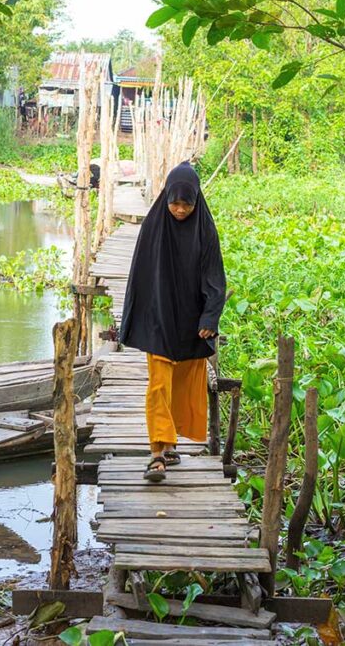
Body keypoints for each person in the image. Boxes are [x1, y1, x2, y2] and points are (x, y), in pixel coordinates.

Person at [119, 162, 227, 482]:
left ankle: (170, 443)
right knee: (159, 386)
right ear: (166, 198)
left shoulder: (205, 230)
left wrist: (210, 316)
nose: (180, 210)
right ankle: (157, 454)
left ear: (196, 202)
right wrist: (146, 318)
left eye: (187, 204)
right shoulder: (154, 227)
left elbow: (214, 278)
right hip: (160, 320)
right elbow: (141, 277)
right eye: (174, 203)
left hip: (193, 322)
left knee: (182, 387)